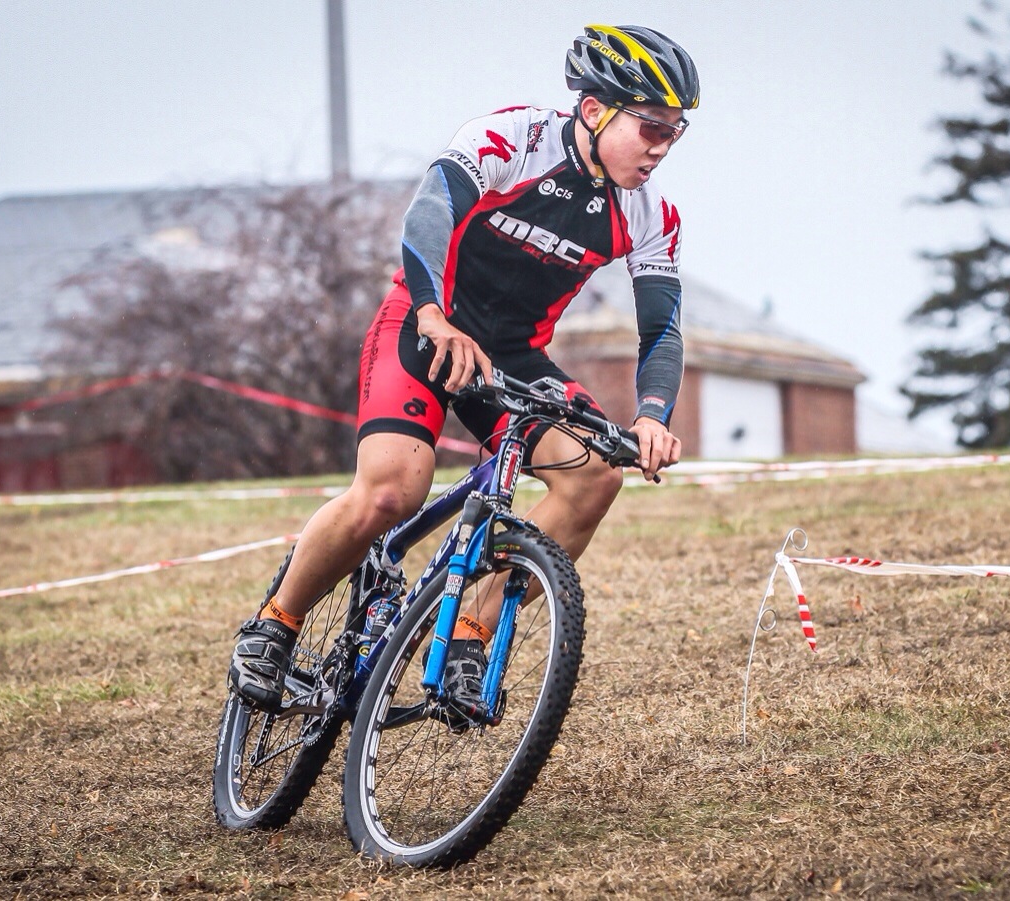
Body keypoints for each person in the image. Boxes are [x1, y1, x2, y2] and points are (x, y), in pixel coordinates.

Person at [230, 24, 701, 712]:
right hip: (423, 323)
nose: (662, 146)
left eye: (675, 131)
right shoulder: (512, 140)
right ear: (594, 110)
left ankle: (467, 634)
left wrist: (653, 415)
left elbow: (661, 327)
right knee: (391, 493)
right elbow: (428, 214)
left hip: (511, 356)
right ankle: (274, 626)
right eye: (651, 127)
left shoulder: (652, 213)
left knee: (595, 476)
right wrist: (432, 315)